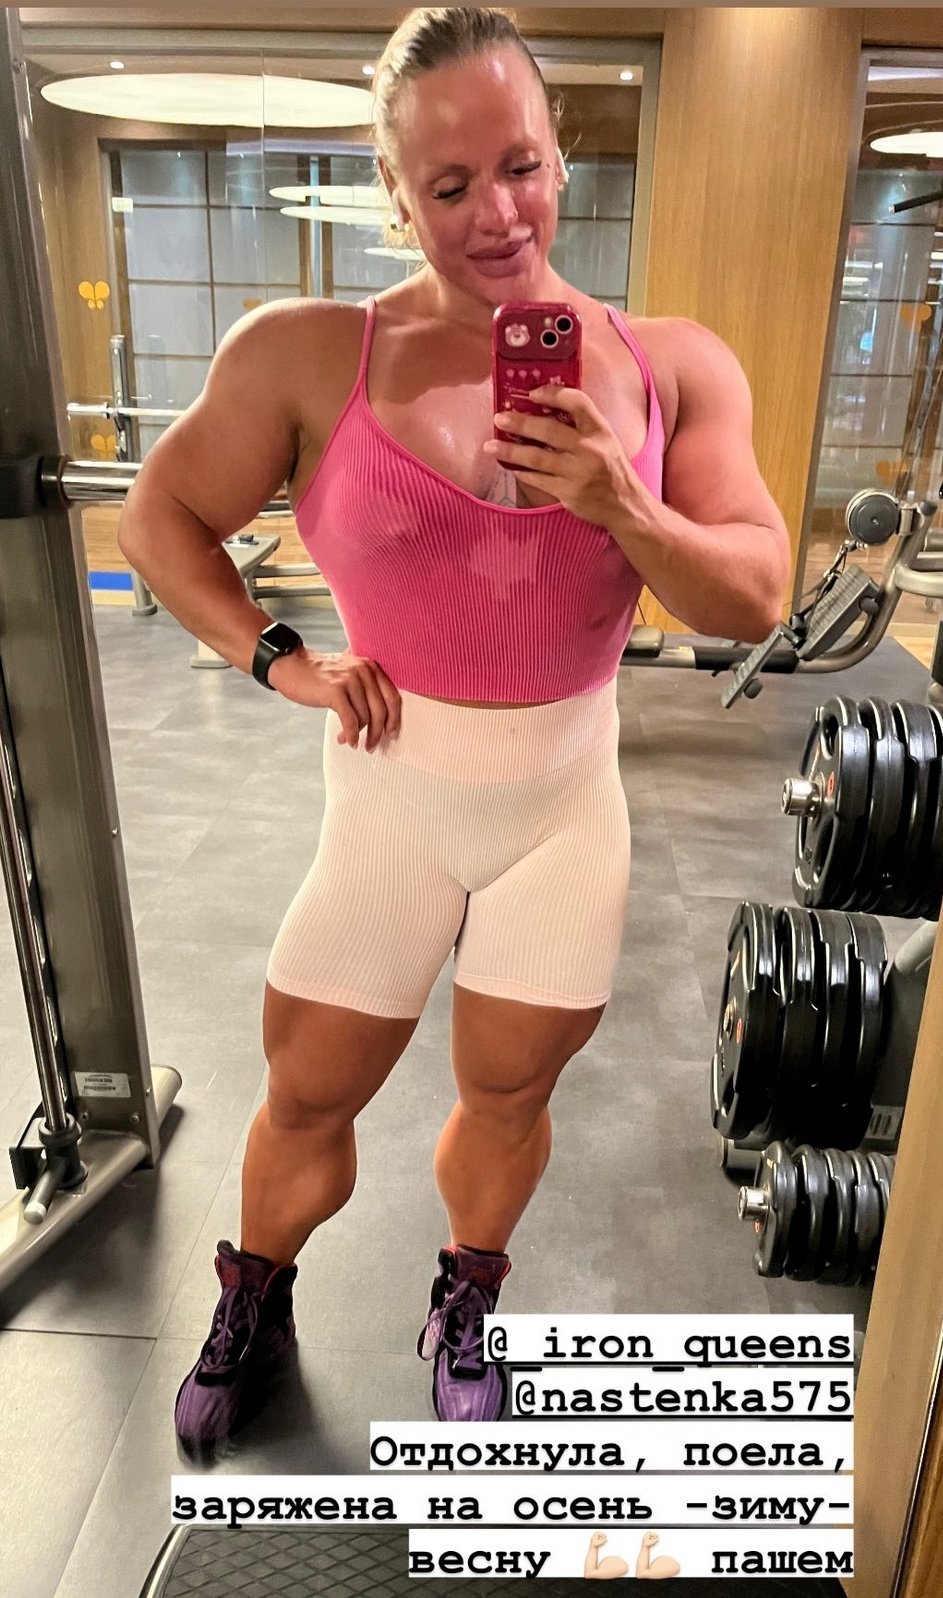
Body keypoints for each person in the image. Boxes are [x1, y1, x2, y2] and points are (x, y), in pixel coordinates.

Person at [117, 5, 790, 1457]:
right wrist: (279, 656)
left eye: (523, 166)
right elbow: (158, 517)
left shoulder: (670, 364)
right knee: (307, 1090)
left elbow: (753, 593)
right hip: (390, 798)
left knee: (509, 1088)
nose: (499, 213)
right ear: (393, 187)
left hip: (562, 803)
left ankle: (469, 1292)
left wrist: (624, 503)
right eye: (450, 184)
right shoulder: (306, 353)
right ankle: (256, 1297)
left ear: (560, 157)